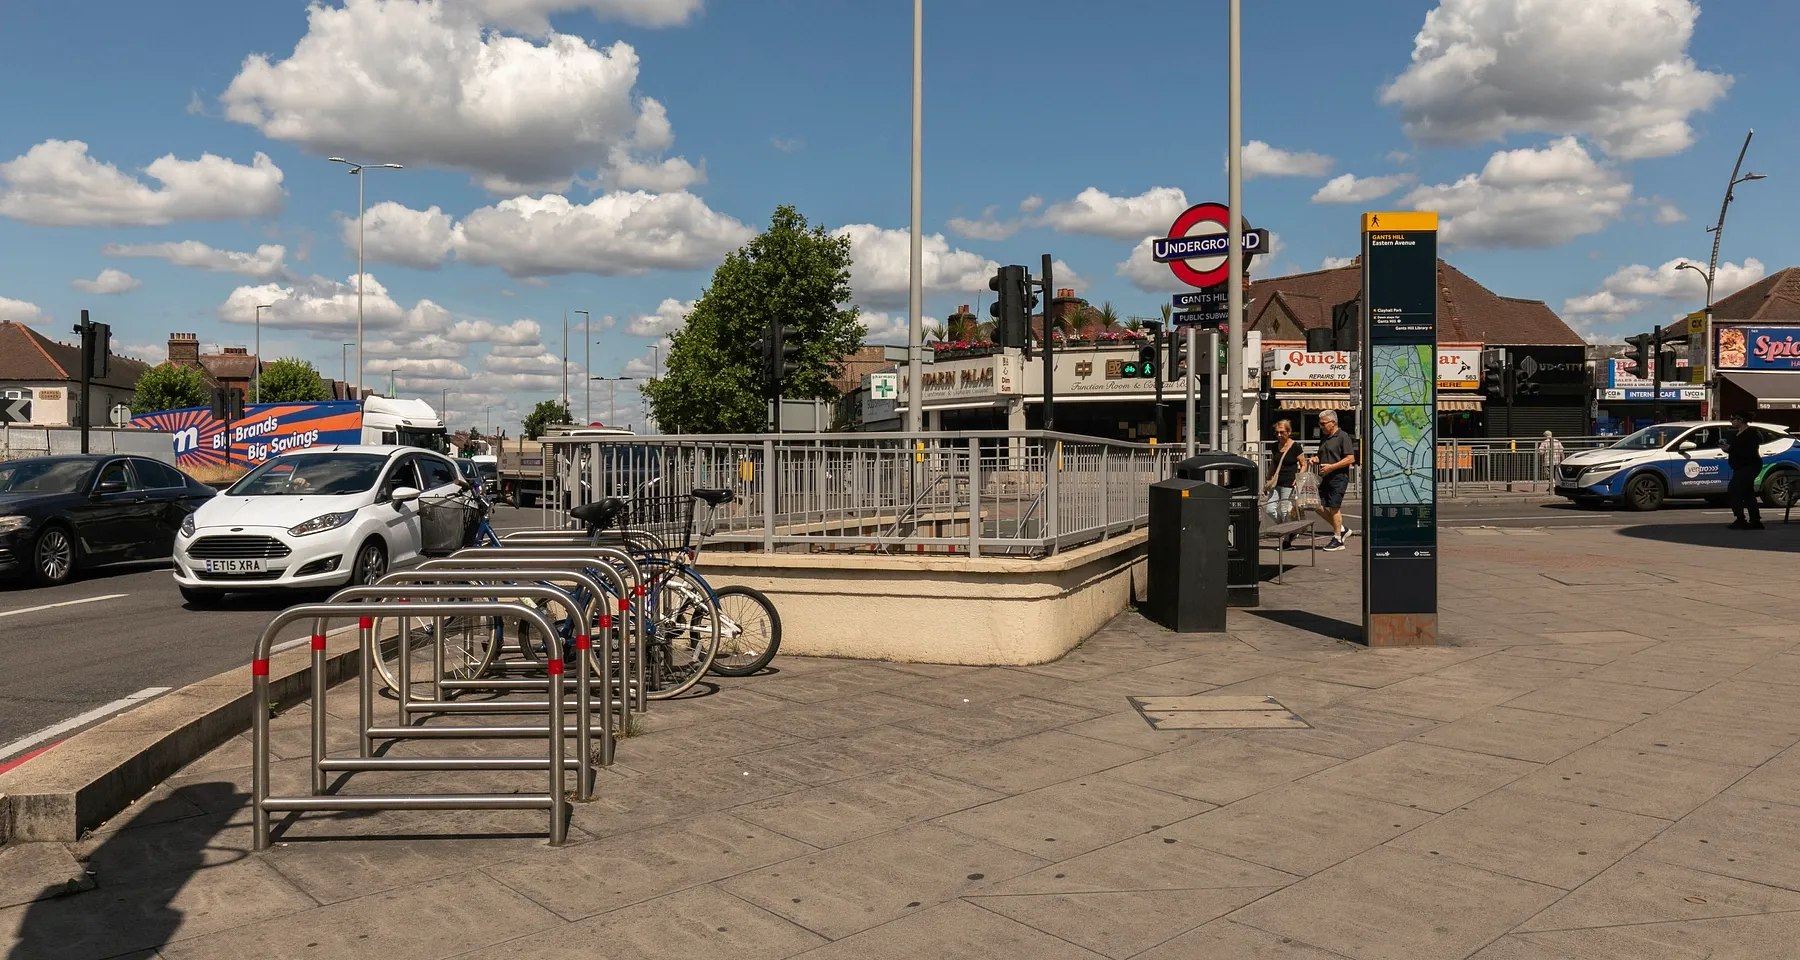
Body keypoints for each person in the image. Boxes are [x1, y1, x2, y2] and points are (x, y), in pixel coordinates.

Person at [1313, 410, 1356, 551]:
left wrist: (1331, 467)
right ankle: (1342, 529)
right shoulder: (1325, 438)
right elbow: (1322, 456)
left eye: (1323, 423)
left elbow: (1350, 458)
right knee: (1316, 504)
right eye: (1320, 424)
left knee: (1334, 507)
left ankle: (1338, 540)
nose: (1321, 426)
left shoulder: (1343, 436)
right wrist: (1315, 459)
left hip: (1338, 477)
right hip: (1326, 477)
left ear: (1333, 423)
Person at [1722, 412, 1764, 530]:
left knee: (1734, 490)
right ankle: (1755, 520)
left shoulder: (1750, 434)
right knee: (1747, 493)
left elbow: (1748, 451)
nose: (1731, 421)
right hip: (1740, 467)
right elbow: (1737, 449)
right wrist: (1728, 449)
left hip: (1749, 466)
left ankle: (1741, 519)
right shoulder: (1738, 433)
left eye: (1733, 419)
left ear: (1740, 420)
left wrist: (1730, 448)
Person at [1263, 419, 1303, 527]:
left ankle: (1288, 533)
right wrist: (1267, 479)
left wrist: (1298, 479)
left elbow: (1304, 464)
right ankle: (1285, 528)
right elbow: (1273, 463)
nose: (1279, 435)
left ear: (1289, 432)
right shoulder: (1275, 446)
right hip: (1276, 482)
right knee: (1270, 509)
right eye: (1277, 433)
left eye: (1282, 432)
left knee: (1285, 510)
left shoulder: (1295, 447)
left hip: (1289, 482)